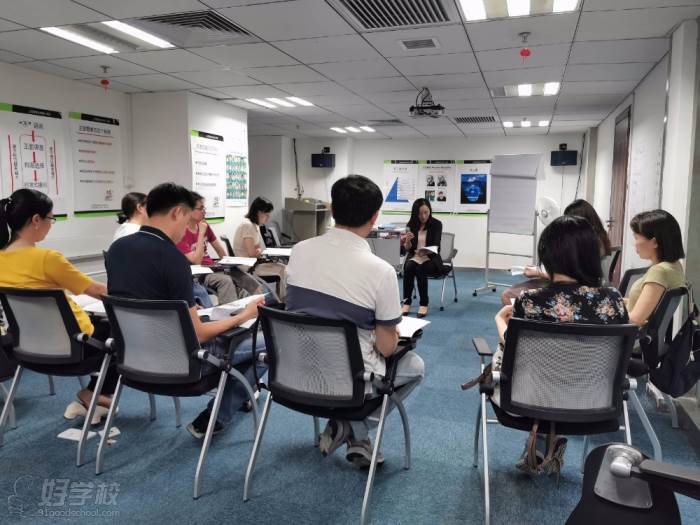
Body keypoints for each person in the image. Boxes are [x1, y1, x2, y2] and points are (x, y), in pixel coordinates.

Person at [286, 175, 425, 468]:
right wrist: (390, 333)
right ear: (374, 217)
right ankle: (353, 428)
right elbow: (386, 348)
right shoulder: (380, 271)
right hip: (350, 381)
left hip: (295, 372)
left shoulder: (298, 251)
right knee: (414, 366)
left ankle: (352, 433)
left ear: (332, 209)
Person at [106, 183, 265, 438]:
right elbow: (199, 334)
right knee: (267, 345)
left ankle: (224, 409)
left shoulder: (117, 249)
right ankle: (215, 417)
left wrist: (186, 308)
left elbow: (142, 298)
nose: (187, 228)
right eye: (189, 218)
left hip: (134, 357)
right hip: (183, 362)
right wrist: (245, 315)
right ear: (178, 212)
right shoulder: (171, 257)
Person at [492, 215, 628, 475]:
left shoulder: (530, 301)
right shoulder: (613, 300)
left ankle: (540, 441)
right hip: (592, 400)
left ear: (548, 256)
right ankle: (546, 442)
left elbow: (511, 348)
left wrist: (499, 320)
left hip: (529, 399)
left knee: (504, 359)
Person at [0, 189, 115, 423]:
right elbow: (96, 290)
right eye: (51, 219)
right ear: (36, 219)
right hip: (75, 347)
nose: (51, 225)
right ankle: (94, 393)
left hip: (27, 349)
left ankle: (95, 397)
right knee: (122, 333)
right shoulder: (47, 258)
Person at [501, 199, 613, 306]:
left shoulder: (588, 244)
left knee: (508, 295)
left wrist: (539, 273)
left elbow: (573, 276)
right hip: (574, 286)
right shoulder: (598, 239)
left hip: (569, 288)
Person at [176, 192, 241, 305]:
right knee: (225, 281)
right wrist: (201, 234)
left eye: (204, 208)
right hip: (198, 273)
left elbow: (219, 249)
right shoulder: (181, 232)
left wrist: (228, 263)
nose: (204, 211)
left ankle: (256, 305)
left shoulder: (204, 225)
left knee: (239, 274)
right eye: (200, 208)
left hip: (212, 267)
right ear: (189, 211)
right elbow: (196, 262)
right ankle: (231, 313)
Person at [626, 210, 686, 326]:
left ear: (654, 242)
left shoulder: (659, 271)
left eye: (636, 238)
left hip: (624, 334)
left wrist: (605, 314)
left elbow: (636, 319)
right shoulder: (675, 266)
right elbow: (650, 304)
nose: (634, 243)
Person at [232, 197, 287, 300]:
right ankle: (283, 301)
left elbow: (258, 248)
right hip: (248, 267)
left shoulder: (254, 225)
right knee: (283, 269)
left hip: (253, 263)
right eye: (266, 215)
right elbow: (252, 253)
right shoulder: (248, 226)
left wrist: (259, 251)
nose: (268, 218)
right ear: (259, 212)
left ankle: (281, 299)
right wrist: (258, 251)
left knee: (282, 267)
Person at [401, 198, 445, 318]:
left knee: (421, 268)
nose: (423, 216)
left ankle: (424, 303)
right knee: (408, 267)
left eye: (426, 212)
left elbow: (436, 246)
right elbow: (408, 249)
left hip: (431, 258)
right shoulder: (411, 225)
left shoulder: (436, 224)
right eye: (420, 213)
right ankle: (407, 302)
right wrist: (408, 241)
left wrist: (424, 251)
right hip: (415, 257)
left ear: (430, 211)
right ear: (415, 213)